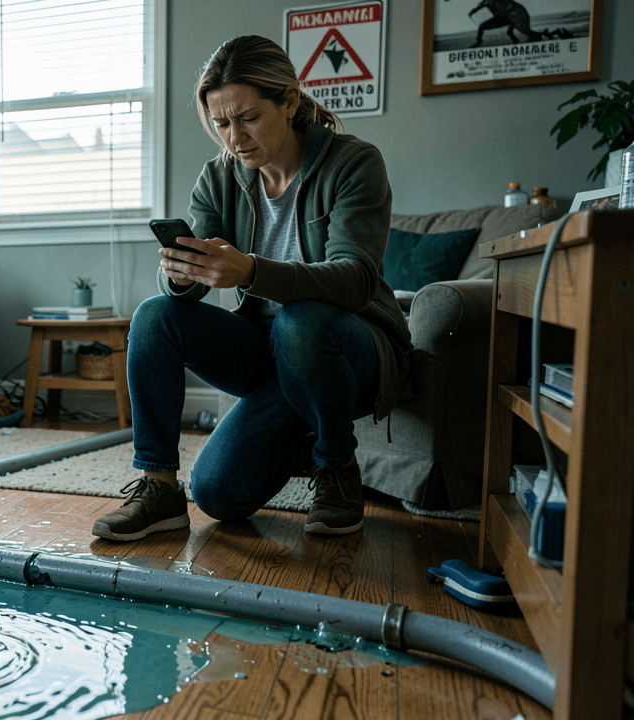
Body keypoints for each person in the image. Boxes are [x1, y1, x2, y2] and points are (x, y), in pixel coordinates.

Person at [91, 35, 412, 542]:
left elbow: (354, 281)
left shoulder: (354, 163)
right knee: (218, 491)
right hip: (268, 354)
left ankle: (335, 466)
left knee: (300, 319)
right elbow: (184, 286)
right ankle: (159, 488)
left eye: (248, 118)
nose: (234, 138)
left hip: (351, 349)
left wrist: (252, 272)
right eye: (221, 123)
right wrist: (181, 273)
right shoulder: (219, 176)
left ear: (288, 101)